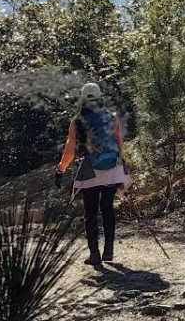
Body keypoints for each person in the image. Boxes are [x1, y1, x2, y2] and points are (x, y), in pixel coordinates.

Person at [55, 82, 131, 267]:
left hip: (90, 170)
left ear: (82, 99)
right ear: (100, 97)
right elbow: (119, 144)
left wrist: (61, 169)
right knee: (107, 208)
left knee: (90, 213)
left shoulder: (77, 121)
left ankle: (95, 254)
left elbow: (70, 149)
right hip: (111, 168)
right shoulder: (112, 117)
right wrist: (121, 165)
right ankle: (109, 250)